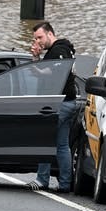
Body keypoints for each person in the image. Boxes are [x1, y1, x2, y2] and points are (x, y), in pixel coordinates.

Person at [26, 21, 77, 193]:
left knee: (45, 140)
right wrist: (36, 59)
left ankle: (42, 180)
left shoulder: (59, 50)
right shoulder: (61, 49)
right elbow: (42, 72)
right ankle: (64, 184)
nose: (38, 41)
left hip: (60, 103)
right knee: (62, 145)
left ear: (49, 33)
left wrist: (39, 67)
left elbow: (54, 71)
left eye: (40, 37)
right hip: (66, 101)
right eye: (35, 38)